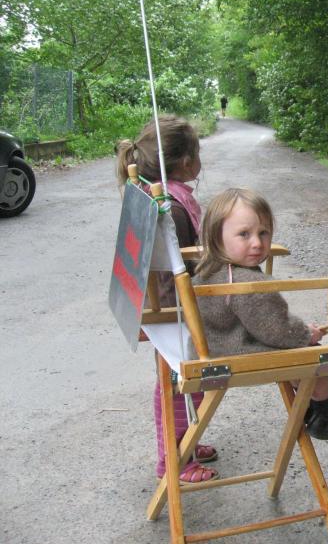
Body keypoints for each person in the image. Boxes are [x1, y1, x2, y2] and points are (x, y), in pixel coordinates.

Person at [193, 187, 328, 440]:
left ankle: (309, 403)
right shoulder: (247, 284)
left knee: (295, 354)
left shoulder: (210, 269)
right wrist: (306, 334)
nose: (257, 243)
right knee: (314, 356)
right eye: (244, 234)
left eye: (263, 233)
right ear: (217, 238)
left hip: (212, 343)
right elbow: (277, 330)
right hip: (234, 351)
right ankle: (322, 414)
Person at [116, 115, 219, 484]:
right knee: (181, 385)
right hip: (177, 313)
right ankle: (173, 460)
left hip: (168, 306)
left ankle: (187, 442)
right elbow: (186, 265)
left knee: (184, 384)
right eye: (198, 153)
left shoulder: (155, 195)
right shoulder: (171, 207)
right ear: (187, 162)